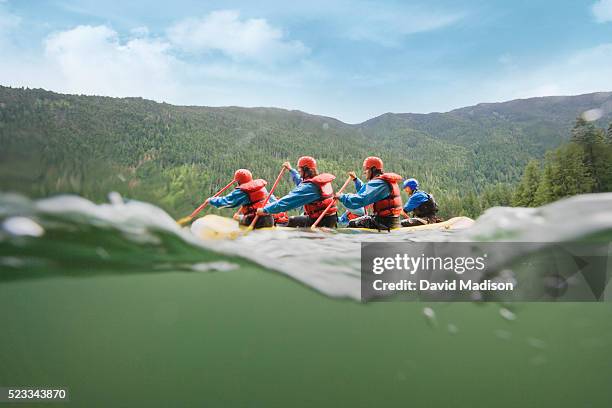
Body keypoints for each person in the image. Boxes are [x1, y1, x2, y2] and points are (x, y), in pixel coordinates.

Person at [256, 156, 338, 228]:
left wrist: (265, 210)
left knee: (291, 221)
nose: (299, 171)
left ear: (305, 169)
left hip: (320, 221)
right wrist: (291, 170)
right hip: (331, 219)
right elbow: (300, 181)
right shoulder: (318, 182)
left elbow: (288, 201)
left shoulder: (310, 187)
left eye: (300, 169)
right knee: (300, 217)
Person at [337, 156, 403, 230]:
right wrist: (356, 180)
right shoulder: (382, 181)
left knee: (352, 223)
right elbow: (367, 190)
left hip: (384, 223)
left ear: (373, 169)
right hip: (392, 221)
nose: (364, 172)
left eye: (366, 169)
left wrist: (342, 197)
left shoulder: (379, 183)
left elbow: (362, 199)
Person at [208, 169, 288, 228]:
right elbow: (272, 200)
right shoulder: (261, 187)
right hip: (270, 219)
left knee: (237, 218)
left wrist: (211, 200)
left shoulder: (242, 191)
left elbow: (227, 201)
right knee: (239, 217)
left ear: (238, 181)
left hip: (255, 220)